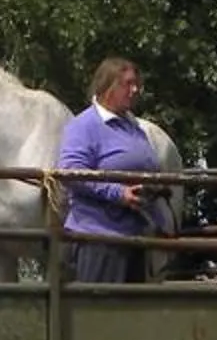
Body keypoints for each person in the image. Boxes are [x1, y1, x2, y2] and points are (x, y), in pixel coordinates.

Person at [57, 55, 162, 284]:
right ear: (107, 87)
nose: (135, 90)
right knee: (100, 314)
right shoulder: (84, 126)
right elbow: (70, 172)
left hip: (134, 237)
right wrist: (118, 193)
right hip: (99, 239)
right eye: (128, 84)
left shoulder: (133, 127)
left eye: (137, 84)